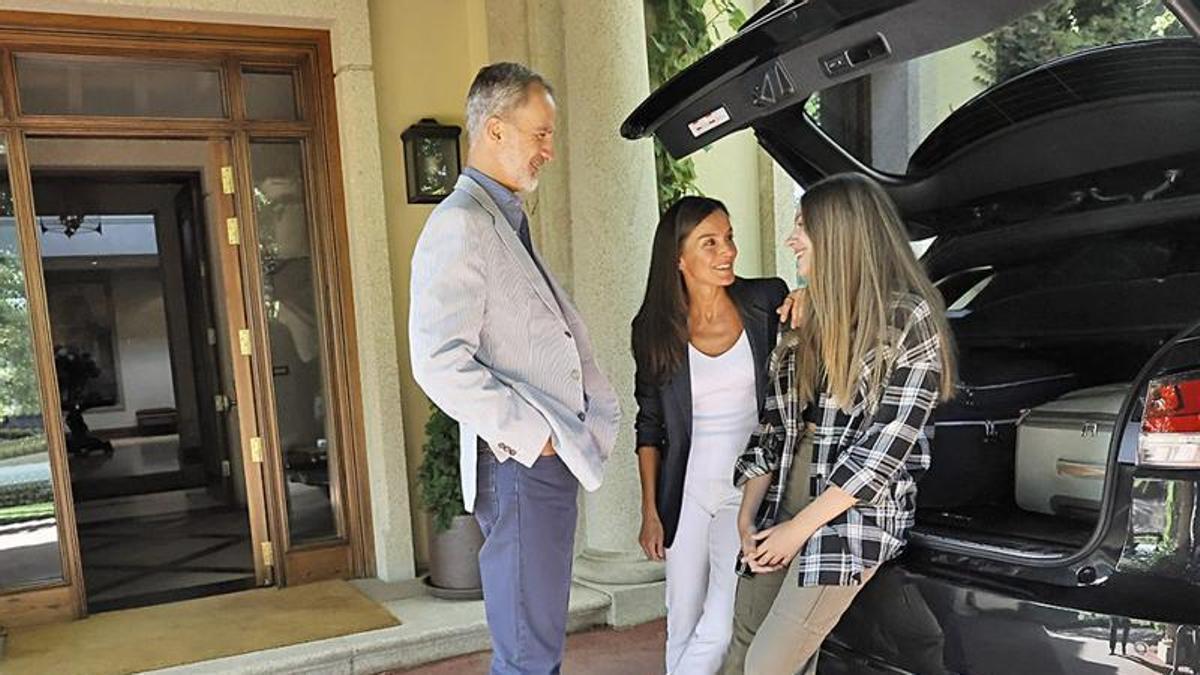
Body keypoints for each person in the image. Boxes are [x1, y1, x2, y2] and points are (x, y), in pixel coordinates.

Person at [408, 62, 621, 675]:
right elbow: (438, 360)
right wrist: (538, 439)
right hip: (520, 465)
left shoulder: (504, 219)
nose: (550, 150)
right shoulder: (462, 223)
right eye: (542, 133)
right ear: (495, 130)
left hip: (535, 466)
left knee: (538, 644)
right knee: (528, 654)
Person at [721, 173, 957, 675]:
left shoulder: (908, 319)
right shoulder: (804, 316)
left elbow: (880, 456)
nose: (791, 239)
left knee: (768, 665)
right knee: (741, 646)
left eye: (803, 226)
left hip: (852, 515)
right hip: (786, 492)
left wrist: (795, 531)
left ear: (840, 233)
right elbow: (774, 428)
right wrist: (748, 519)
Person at [632, 196, 789, 675]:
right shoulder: (653, 329)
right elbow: (650, 426)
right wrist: (650, 511)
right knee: (682, 621)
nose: (728, 252)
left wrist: (810, 296)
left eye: (729, 238)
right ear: (678, 259)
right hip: (686, 492)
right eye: (711, 243)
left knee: (719, 627)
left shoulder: (765, 299)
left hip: (742, 492)